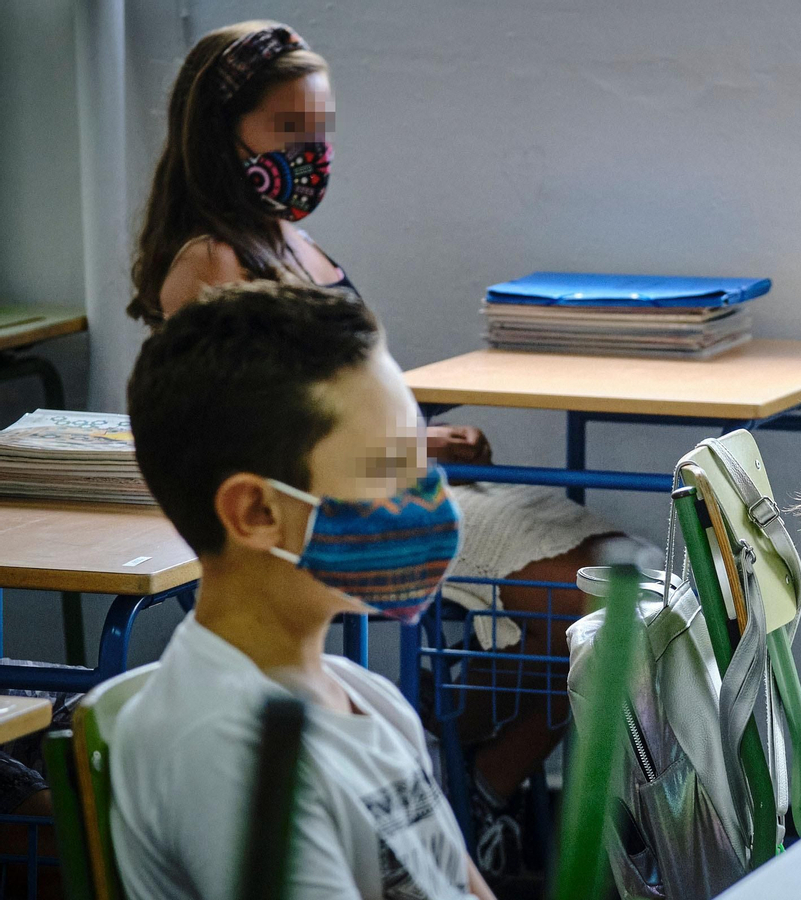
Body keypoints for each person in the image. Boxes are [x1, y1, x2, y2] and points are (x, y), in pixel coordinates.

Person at [125, 21, 641, 878]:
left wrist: (422, 422)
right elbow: (257, 424)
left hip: (381, 473)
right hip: (344, 482)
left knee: (609, 577)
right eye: (289, 132)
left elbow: (348, 395)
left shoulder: (300, 246)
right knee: (574, 601)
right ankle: (488, 781)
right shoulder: (216, 264)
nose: (312, 154)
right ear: (220, 136)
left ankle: (475, 773)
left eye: (321, 132)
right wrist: (413, 445)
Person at [114, 282, 493, 899]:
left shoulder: (367, 697)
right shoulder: (230, 753)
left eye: (418, 461)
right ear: (257, 512)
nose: (429, 498)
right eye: (387, 469)